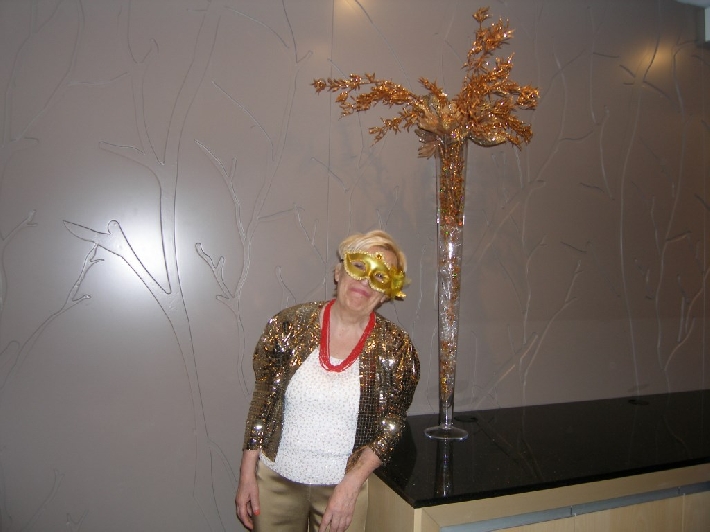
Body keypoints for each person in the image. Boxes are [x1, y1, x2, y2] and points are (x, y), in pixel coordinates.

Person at [235, 230, 420, 532]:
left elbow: (391, 425)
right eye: (359, 266)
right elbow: (263, 403)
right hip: (275, 482)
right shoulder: (288, 325)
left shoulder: (396, 347)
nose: (365, 281)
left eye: (380, 276)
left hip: (344, 488)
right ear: (339, 272)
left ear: (387, 292)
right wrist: (247, 475)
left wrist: (352, 483)